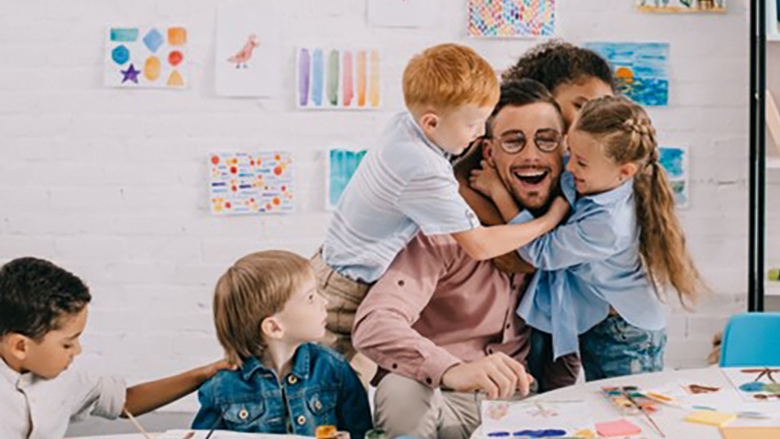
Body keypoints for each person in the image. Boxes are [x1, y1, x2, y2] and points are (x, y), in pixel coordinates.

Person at [314, 44, 568, 375]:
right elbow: (479, 245)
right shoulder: (422, 167)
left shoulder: (408, 125)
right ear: (431, 122)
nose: (480, 133)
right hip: (344, 291)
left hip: (340, 268)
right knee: (326, 388)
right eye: (473, 125)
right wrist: (548, 221)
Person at [352, 79, 568, 439]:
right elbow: (374, 323)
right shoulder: (444, 232)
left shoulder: (569, 235)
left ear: (564, 149)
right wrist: (452, 369)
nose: (531, 155)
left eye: (546, 140)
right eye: (513, 141)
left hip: (519, 404)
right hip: (442, 396)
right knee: (399, 388)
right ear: (488, 153)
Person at [471, 95, 703, 380]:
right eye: (570, 152)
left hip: (625, 333)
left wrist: (499, 193)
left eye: (580, 162)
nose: (569, 167)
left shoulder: (609, 225)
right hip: (600, 318)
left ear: (624, 172)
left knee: (623, 404)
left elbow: (540, 252)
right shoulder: (600, 177)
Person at [454, 40, 616, 391]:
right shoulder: (480, 160)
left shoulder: (582, 165)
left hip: (565, 310)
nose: (595, 117)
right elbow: (513, 256)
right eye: (582, 106)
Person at [0, 257, 229, 439]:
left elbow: (126, 401)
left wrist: (202, 374)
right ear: (20, 346)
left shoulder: (63, 380)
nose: (77, 350)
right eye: (67, 344)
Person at [192, 250, 372, 439]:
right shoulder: (221, 388)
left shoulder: (334, 369)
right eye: (311, 298)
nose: (325, 302)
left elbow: (362, 433)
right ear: (274, 327)